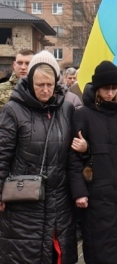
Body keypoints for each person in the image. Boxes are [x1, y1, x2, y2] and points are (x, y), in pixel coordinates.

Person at [0, 50, 78, 263]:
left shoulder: (67, 109)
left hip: (59, 203)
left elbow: (75, 153)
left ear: (56, 83)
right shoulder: (13, 111)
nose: (45, 90)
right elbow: (2, 155)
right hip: (23, 204)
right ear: (30, 82)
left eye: (49, 85)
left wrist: (84, 146)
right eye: (39, 85)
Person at [69, 60, 117, 264]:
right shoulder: (83, 115)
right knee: (101, 244)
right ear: (97, 88)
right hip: (97, 193)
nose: (110, 93)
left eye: (114, 88)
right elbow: (74, 159)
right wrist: (80, 192)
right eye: (106, 88)